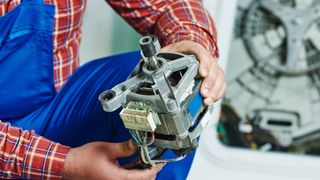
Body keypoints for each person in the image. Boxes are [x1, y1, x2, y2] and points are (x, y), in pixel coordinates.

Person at [0, 0, 226, 179]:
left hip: (56, 110)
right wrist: (65, 163)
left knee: (167, 81)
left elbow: (167, 5)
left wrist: (191, 43)